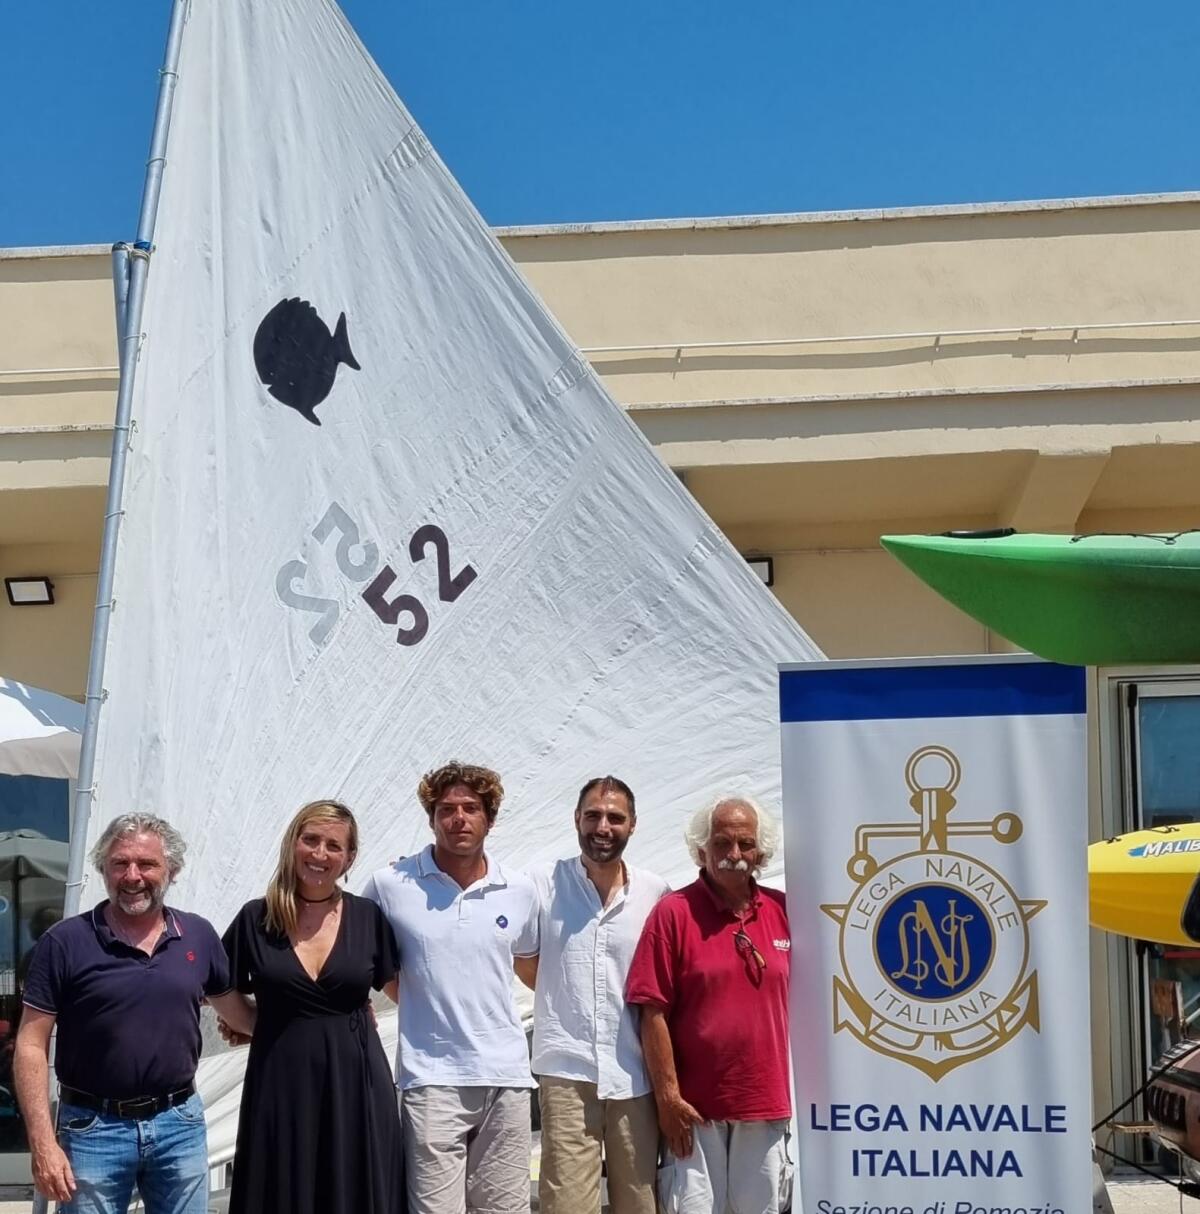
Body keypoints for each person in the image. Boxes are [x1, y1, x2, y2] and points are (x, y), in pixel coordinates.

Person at [13, 813, 253, 1213]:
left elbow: (241, 1015)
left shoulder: (197, 935)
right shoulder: (65, 943)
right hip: (92, 1130)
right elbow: (30, 1044)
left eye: (147, 864)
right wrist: (41, 1143)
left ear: (172, 870)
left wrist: (326, 1013)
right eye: (119, 863)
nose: (132, 875)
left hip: (180, 1125)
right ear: (103, 870)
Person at [363, 761, 538, 1214]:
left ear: (490, 819)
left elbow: (530, 965)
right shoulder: (389, 884)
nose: (458, 818)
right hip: (431, 1080)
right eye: (446, 809)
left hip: (507, 1078)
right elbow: (361, 957)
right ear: (432, 818)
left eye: (471, 808)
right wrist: (420, 1000)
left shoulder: (519, 889)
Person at [219, 799, 404, 1214]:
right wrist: (251, 1024)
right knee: (283, 1185)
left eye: (334, 846)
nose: (320, 854)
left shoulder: (368, 917)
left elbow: (404, 989)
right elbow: (215, 984)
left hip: (357, 1079)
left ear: (349, 858)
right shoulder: (256, 918)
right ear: (293, 844)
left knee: (356, 1186)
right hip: (280, 1079)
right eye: (311, 840)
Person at [626, 795, 793, 1214]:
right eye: (722, 843)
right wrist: (667, 1099)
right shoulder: (673, 913)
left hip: (765, 1102)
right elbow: (652, 1011)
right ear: (702, 849)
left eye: (745, 844)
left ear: (761, 852)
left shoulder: (785, 910)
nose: (734, 854)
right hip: (694, 1111)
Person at [517, 775, 669, 1214]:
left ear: (633, 825)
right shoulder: (541, 883)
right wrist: (560, 995)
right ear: (576, 819)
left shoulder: (655, 892)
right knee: (566, 1203)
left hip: (635, 1072)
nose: (603, 827)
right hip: (568, 1069)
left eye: (615, 818)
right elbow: (524, 961)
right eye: (593, 816)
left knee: (640, 1201)